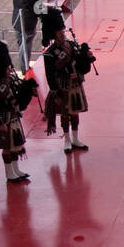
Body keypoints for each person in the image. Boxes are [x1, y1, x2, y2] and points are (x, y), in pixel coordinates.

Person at [0, 40, 39, 183]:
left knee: (15, 146)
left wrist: (27, 90)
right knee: (7, 148)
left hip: (13, 117)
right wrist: (0, 122)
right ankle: (9, 173)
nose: (9, 69)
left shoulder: (8, 80)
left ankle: (16, 169)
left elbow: (17, 98)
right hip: (5, 119)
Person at [41, 9, 91, 152]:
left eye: (62, 31)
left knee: (75, 113)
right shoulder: (50, 54)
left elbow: (80, 63)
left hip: (75, 84)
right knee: (65, 115)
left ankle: (75, 138)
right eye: (59, 32)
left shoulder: (72, 45)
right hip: (62, 86)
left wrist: (86, 56)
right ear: (53, 34)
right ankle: (67, 140)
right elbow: (50, 75)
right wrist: (55, 93)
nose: (62, 34)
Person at [10, 0, 41, 73]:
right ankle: (24, 68)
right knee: (26, 45)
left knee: (21, 43)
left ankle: (24, 65)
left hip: (17, 21)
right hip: (28, 23)